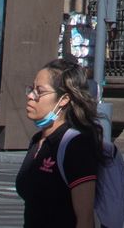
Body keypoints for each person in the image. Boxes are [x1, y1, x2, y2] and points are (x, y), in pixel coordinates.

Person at [15, 58, 101, 228]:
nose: (31, 96)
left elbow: (85, 220)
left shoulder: (76, 145)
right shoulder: (37, 141)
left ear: (63, 100)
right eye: (31, 89)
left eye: (39, 91)